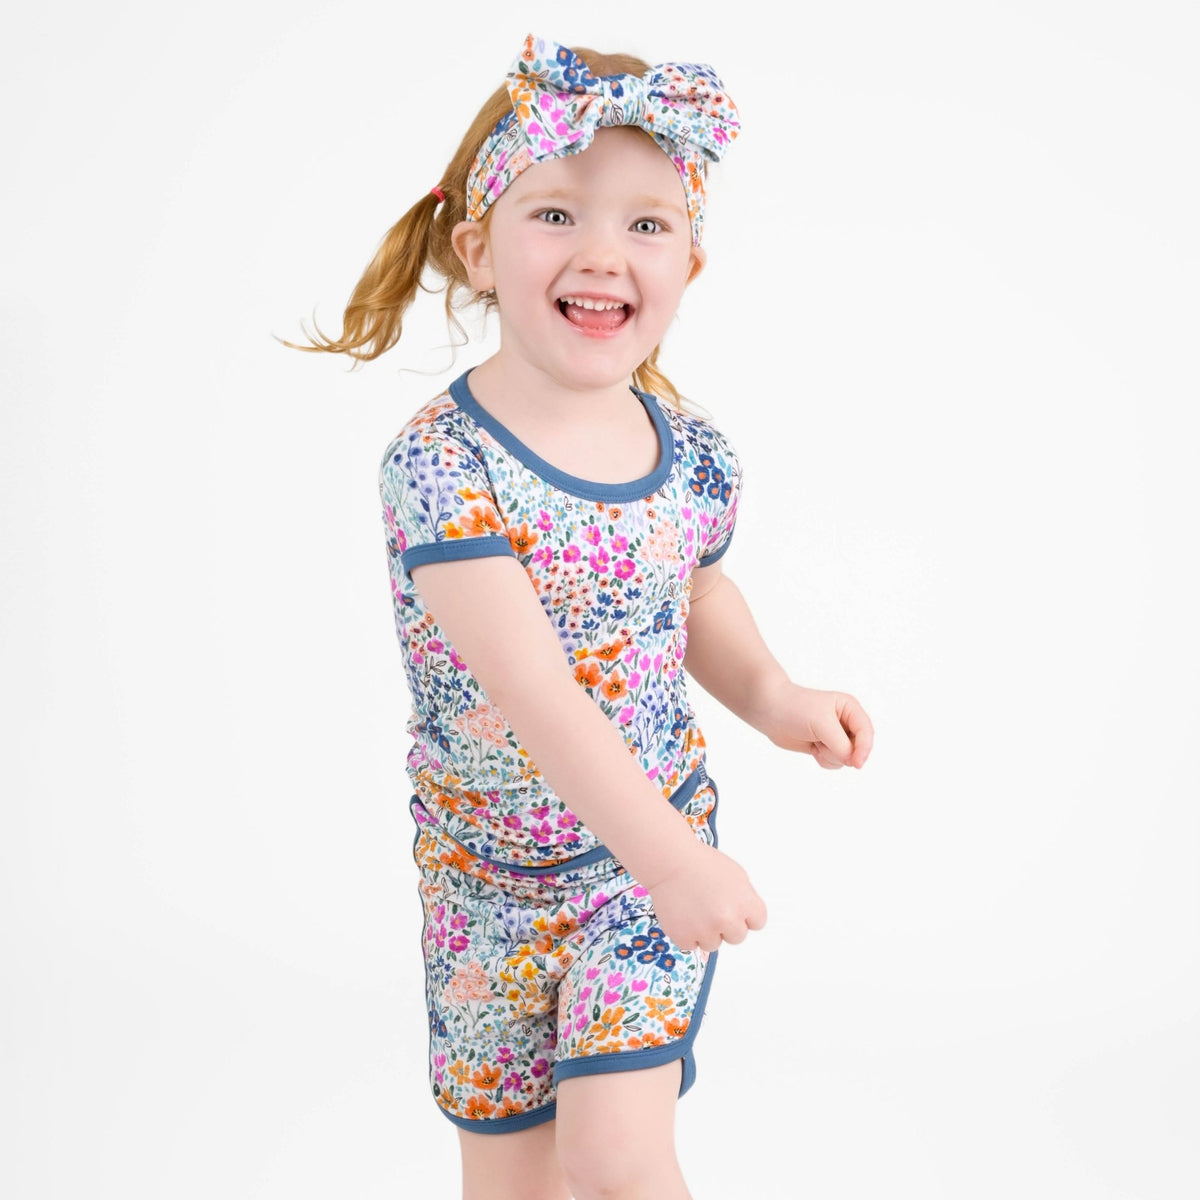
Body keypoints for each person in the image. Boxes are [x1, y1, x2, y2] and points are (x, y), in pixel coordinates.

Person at [284, 33, 873, 1200]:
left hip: (638, 864)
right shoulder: (443, 465)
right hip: (481, 883)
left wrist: (771, 698)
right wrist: (674, 861)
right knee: (511, 1183)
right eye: (556, 214)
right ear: (479, 249)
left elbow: (696, 591)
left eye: (646, 225)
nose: (603, 253)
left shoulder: (694, 453)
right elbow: (533, 692)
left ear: (689, 266)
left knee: (614, 1160)